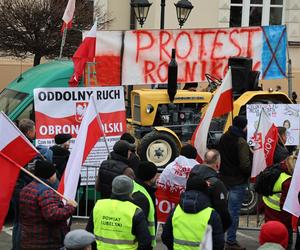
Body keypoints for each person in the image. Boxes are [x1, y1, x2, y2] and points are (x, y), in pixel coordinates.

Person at [11, 118, 53, 250]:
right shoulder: (27, 148)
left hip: (16, 187)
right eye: (34, 130)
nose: (36, 133)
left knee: (18, 221)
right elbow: (30, 170)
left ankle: (16, 246)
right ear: (29, 132)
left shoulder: (17, 144)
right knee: (22, 222)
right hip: (22, 187)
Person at [19, 160, 77, 250]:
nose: (56, 176)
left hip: (29, 239)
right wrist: (70, 207)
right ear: (50, 176)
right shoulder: (46, 192)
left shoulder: (26, 188)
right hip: (45, 242)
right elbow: (53, 215)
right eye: (54, 173)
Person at [86, 175, 152, 250]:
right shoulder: (135, 211)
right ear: (131, 191)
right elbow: (145, 241)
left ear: (113, 189)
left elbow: (88, 234)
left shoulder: (99, 206)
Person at [161, 175, 224, 250]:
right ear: (205, 190)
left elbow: (166, 237)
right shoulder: (211, 214)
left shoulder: (175, 211)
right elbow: (218, 243)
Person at [218, 115, 252, 250]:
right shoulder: (241, 142)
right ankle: (231, 242)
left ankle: (219, 239)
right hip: (237, 181)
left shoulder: (224, 137)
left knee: (223, 211)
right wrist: (250, 171)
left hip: (224, 180)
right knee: (233, 212)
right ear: (243, 126)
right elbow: (245, 165)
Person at [190, 149, 231, 232]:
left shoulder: (192, 175)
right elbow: (222, 211)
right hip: (209, 227)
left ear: (204, 161)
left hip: (190, 224)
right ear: (218, 164)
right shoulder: (217, 184)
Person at [262, 155, 295, 250]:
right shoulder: (287, 181)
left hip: (269, 212)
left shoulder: (276, 173)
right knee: (284, 242)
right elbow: (285, 205)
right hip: (281, 217)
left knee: (269, 240)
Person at [132, 161, 159, 248]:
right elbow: (140, 226)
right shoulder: (142, 197)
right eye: (156, 175)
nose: (157, 177)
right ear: (150, 178)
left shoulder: (136, 186)